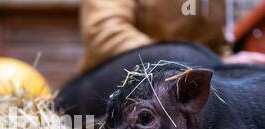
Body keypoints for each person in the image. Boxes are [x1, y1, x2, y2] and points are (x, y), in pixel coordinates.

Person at [81, 0, 265, 71]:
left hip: (185, 92)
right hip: (114, 88)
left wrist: (236, 64)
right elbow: (104, 35)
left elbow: (215, 46)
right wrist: (211, 63)